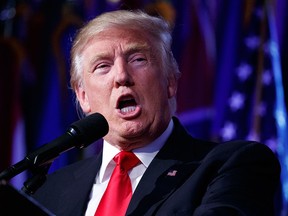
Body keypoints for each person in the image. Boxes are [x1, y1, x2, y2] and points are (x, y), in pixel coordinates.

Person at [32, 10, 281, 216]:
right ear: (83, 96)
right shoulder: (50, 191)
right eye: (103, 66)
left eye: (138, 59)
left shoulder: (231, 165)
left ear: (170, 81)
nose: (121, 76)